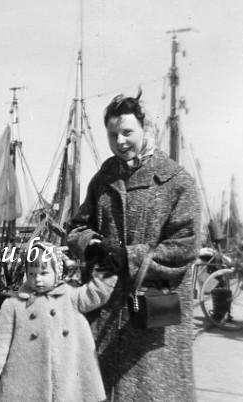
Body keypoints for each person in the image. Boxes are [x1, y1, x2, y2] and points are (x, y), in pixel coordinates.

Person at [67, 91, 201, 401]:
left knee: (152, 392)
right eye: (113, 135)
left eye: (127, 132)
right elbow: (76, 227)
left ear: (145, 128)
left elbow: (185, 246)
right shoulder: (103, 179)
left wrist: (128, 256)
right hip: (106, 316)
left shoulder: (176, 182)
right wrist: (92, 245)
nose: (120, 141)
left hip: (153, 320)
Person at [0, 242, 116, 402]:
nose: (38, 279)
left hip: (65, 380)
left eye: (44, 273)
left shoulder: (70, 297)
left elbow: (95, 294)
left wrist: (109, 267)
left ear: (57, 273)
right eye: (32, 274)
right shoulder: (14, 305)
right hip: (25, 382)